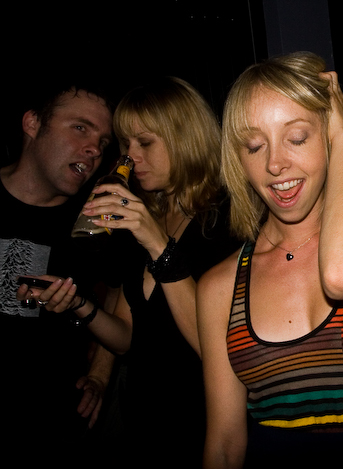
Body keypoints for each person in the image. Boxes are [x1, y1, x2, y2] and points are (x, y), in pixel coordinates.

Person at [197, 52, 343, 466]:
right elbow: (225, 445)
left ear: (331, 134)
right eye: (254, 145)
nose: (274, 163)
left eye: (297, 137)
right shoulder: (220, 287)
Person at [25, 76, 241, 467]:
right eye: (125, 144)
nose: (130, 157)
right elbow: (126, 339)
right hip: (145, 424)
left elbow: (217, 351)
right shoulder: (144, 217)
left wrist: (159, 245)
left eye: (145, 143)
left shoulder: (226, 220)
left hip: (203, 426)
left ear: (183, 138)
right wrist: (77, 303)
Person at [2, 77, 116, 463]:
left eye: (102, 142)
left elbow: (119, 293)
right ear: (33, 123)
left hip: (54, 427)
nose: (94, 149)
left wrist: (100, 374)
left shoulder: (96, 224)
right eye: (81, 127)